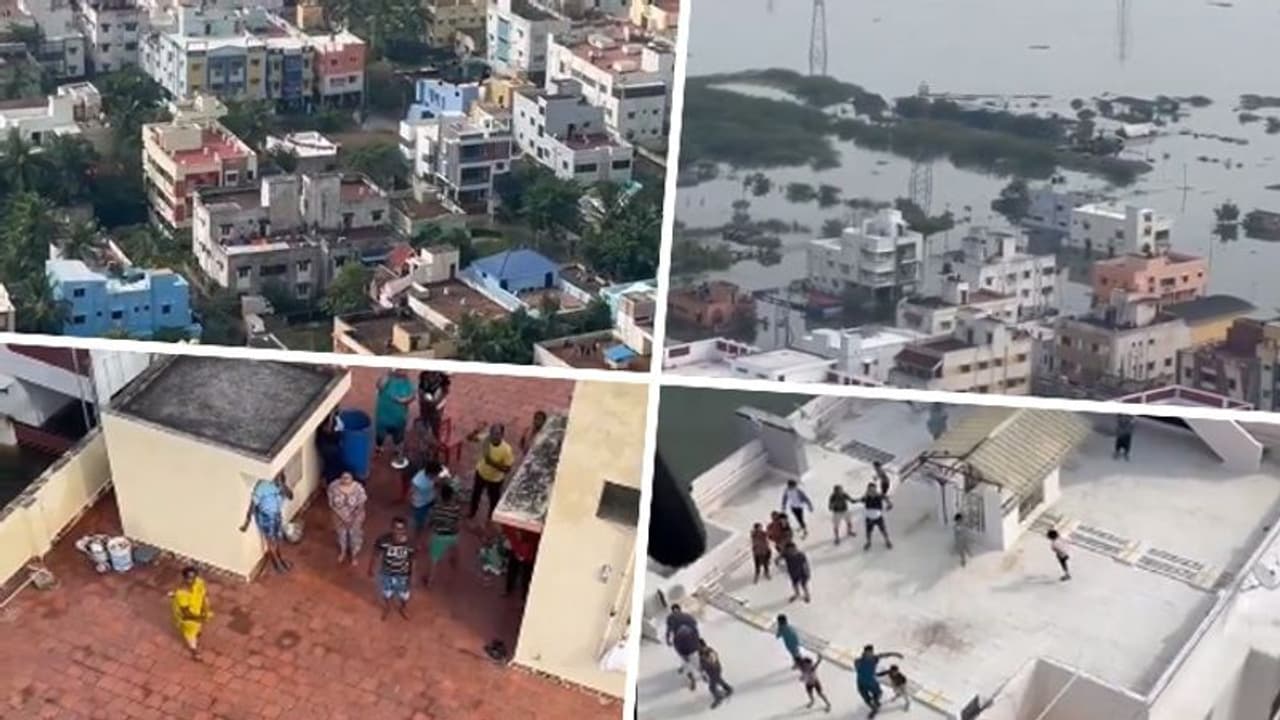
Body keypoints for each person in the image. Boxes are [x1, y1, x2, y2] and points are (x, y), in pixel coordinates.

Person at [239, 473, 294, 573]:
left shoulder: (281, 485)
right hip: (265, 517)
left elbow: (291, 496)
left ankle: (280, 559)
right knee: (271, 541)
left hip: (276, 514)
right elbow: (252, 505)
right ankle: (277, 564)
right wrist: (246, 523)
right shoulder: (263, 486)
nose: (278, 483)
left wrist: (283, 486)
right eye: (277, 480)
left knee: (277, 539)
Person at [368, 517, 415, 620]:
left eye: (400, 529)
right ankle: (387, 607)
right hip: (386, 572)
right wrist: (371, 567)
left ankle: (403, 608)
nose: (397, 531)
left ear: (405, 530)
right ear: (391, 528)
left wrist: (410, 576)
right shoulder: (383, 540)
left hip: (403, 574)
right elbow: (375, 554)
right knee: (386, 592)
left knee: (404, 594)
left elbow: (411, 560)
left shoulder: (410, 543)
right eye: (395, 528)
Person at [468, 423, 515, 521]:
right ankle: (472, 511)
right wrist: (476, 431)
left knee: (494, 499)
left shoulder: (506, 450)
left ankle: (491, 515)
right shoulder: (486, 439)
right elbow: (469, 438)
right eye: (492, 433)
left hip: (495, 480)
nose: (494, 436)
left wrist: (492, 463)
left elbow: (507, 469)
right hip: (481, 473)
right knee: (475, 494)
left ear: (502, 435)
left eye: (497, 434)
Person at [423, 484, 463, 587]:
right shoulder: (456, 507)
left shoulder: (436, 508)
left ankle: (430, 581)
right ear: (451, 496)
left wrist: (426, 532)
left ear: (441, 495)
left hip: (439, 536)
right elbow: (458, 522)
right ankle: (455, 566)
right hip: (453, 535)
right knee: (455, 550)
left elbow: (429, 521)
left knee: (434, 560)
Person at [375, 369, 415, 470]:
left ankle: (397, 450)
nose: (404, 371)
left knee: (399, 437)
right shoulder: (387, 380)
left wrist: (403, 400)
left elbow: (412, 396)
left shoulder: (407, 382)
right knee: (380, 436)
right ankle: (379, 447)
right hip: (383, 417)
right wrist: (389, 373)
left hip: (399, 418)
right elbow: (379, 385)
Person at [171, 566, 211, 660]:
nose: (192, 581)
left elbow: (203, 595)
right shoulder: (181, 593)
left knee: (197, 627)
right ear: (184, 578)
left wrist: (204, 609)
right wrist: (200, 618)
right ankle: (194, 651)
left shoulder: (199, 582)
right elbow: (186, 614)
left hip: (198, 610)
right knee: (190, 634)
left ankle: (197, 632)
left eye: (194, 577)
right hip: (188, 618)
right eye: (189, 578)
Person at [327, 472, 367, 566]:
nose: (345, 479)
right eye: (343, 477)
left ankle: (354, 555)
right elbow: (332, 504)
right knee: (341, 535)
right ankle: (343, 551)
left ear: (352, 478)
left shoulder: (358, 488)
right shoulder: (333, 486)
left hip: (355, 518)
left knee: (354, 536)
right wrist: (342, 517)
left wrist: (352, 518)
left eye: (348, 477)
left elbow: (361, 504)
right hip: (339, 518)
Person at [854, 645, 904, 717]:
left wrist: (896, 654)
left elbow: (885, 655)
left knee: (879, 693)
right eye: (868, 653)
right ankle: (874, 708)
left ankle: (876, 703)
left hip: (872, 682)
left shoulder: (875, 659)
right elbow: (857, 668)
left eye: (871, 652)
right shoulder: (858, 661)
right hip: (861, 684)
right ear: (864, 652)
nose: (870, 654)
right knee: (867, 699)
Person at [409, 459, 448, 539]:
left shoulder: (434, 476)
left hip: (431, 499)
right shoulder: (417, 481)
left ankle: (431, 521)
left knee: (435, 511)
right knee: (419, 524)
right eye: (435, 475)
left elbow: (439, 482)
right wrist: (412, 503)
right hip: (420, 504)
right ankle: (417, 537)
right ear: (430, 473)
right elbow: (411, 492)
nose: (437, 476)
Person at [503, 525, 539, 598]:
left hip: (527, 552)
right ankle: (512, 589)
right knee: (517, 571)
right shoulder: (515, 534)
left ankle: (522, 593)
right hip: (521, 550)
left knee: (525, 574)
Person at [856, 482, 894, 551]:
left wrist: (889, 504)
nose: (872, 491)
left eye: (873, 489)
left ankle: (887, 541)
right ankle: (868, 542)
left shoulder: (879, 496)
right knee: (868, 532)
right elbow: (859, 500)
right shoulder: (866, 497)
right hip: (869, 518)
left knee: (883, 530)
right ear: (868, 489)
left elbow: (887, 499)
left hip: (878, 517)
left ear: (875, 489)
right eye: (870, 489)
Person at [698, 639, 733, 708]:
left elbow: (711, 662)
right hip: (713, 671)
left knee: (712, 687)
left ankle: (718, 698)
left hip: (714, 671)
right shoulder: (703, 652)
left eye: (698, 646)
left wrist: (703, 666)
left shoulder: (709, 652)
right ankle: (728, 689)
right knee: (719, 680)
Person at [417, 370, 450, 440]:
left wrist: (439, 403)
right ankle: (426, 432)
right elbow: (421, 390)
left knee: (435, 422)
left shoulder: (443, 381)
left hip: (436, 407)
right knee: (425, 418)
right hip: (426, 404)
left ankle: (435, 437)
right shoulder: (424, 377)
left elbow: (445, 395)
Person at [315, 409, 346, 485]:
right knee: (332, 464)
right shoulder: (327, 421)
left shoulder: (335, 417)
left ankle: (326, 480)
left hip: (331, 443)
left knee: (331, 463)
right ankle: (327, 481)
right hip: (328, 445)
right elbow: (327, 429)